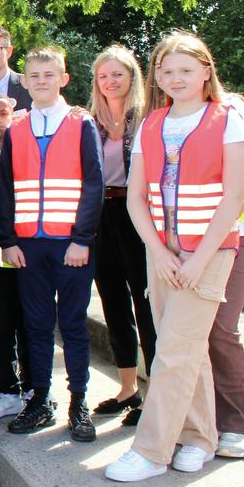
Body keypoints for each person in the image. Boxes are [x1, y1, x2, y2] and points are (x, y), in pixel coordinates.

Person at [105, 32, 244, 481]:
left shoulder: (229, 119)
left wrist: (198, 259)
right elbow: (136, 198)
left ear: (206, 70)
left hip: (209, 252)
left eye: (186, 70)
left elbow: (234, 198)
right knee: (188, 350)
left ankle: (151, 451)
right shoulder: (152, 123)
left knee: (172, 350)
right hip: (162, 253)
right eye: (167, 71)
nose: (176, 78)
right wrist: (157, 250)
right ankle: (200, 437)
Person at [0, 46, 104, 443]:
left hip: (70, 246)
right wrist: (8, 239)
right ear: (24, 82)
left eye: (49, 75)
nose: (41, 81)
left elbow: (93, 183)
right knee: (37, 325)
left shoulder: (80, 123)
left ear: (64, 78)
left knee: (73, 324)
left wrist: (82, 239)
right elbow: (7, 187)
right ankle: (40, 398)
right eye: (34, 76)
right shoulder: (16, 127)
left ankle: (79, 401)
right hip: (29, 246)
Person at [87, 46, 156, 427]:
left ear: (132, 77)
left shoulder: (148, 118)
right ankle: (128, 387)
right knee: (112, 302)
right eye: (103, 76)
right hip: (102, 214)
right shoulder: (90, 123)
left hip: (138, 214)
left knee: (146, 303)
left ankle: (156, 391)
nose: (110, 82)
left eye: (117, 74)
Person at [207, 93, 244, 457]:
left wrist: (219, 229)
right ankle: (200, 421)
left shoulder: (233, 111)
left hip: (235, 236)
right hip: (186, 241)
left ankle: (234, 423)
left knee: (222, 326)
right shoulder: (168, 114)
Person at [0, 94, 33, 421]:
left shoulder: (27, 149)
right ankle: (5, 390)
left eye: (4, 113)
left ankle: (33, 386)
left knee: (30, 323)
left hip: (26, 252)